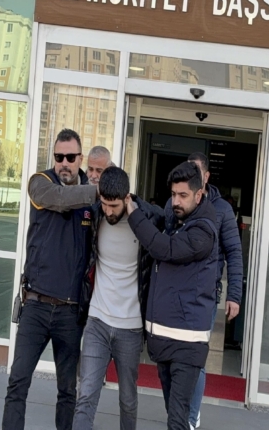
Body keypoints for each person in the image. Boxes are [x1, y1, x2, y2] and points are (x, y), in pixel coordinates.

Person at [3, 129, 98, 430]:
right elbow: (61, 199)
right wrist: (98, 190)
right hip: (36, 305)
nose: (64, 163)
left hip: (70, 313)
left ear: (80, 158)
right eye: (59, 157)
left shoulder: (91, 202)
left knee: (67, 391)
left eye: (70, 157)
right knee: (18, 382)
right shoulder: (40, 184)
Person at [126, 161, 218, 430]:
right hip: (166, 340)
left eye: (183, 195)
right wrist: (132, 200)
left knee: (177, 419)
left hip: (187, 344)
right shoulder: (177, 219)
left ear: (199, 195)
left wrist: (132, 213)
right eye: (173, 194)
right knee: (173, 414)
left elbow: (163, 248)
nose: (176, 201)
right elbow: (156, 213)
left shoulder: (202, 231)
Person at [72, 167, 164, 430]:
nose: (108, 211)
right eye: (104, 203)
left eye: (113, 206)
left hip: (130, 327)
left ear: (127, 198)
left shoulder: (149, 218)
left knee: (128, 399)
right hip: (97, 321)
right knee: (86, 394)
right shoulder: (95, 215)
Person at [182, 152, 243, 429]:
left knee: (197, 358)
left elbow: (234, 252)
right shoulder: (177, 202)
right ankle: (178, 411)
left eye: (196, 172)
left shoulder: (222, 210)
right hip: (177, 292)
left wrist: (234, 295)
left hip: (206, 294)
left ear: (206, 176)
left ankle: (191, 417)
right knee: (175, 357)